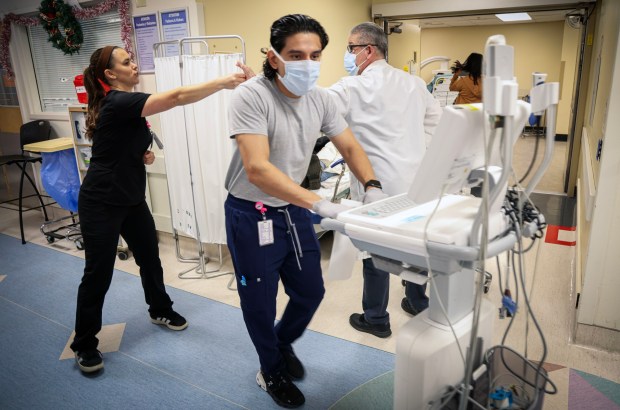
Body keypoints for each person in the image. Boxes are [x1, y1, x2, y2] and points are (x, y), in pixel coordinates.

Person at [224, 14, 385, 409]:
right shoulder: (251, 96)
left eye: (315, 55)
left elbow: (349, 146)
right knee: (259, 302)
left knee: (310, 291)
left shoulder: (322, 99)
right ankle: (270, 369)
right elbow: (258, 169)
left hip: (292, 210)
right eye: (296, 54)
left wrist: (373, 186)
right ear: (274, 56)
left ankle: (280, 345)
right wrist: (319, 202)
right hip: (253, 211)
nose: (307, 63)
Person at [70, 45, 251, 374]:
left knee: (150, 258)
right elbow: (178, 96)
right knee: (98, 273)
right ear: (110, 74)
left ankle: (159, 309)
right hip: (101, 201)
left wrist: (143, 154)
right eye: (127, 62)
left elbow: (130, 146)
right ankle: (84, 343)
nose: (135, 65)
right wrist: (224, 82)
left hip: (131, 198)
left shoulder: (128, 106)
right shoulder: (118, 102)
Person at [328, 22, 443, 338]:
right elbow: (437, 123)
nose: (348, 54)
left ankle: (376, 319)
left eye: (350, 48)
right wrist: (417, 154)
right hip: (416, 183)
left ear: (367, 50)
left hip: (378, 186)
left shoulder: (351, 87)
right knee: (414, 244)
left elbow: (316, 107)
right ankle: (416, 300)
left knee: (376, 252)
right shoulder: (414, 83)